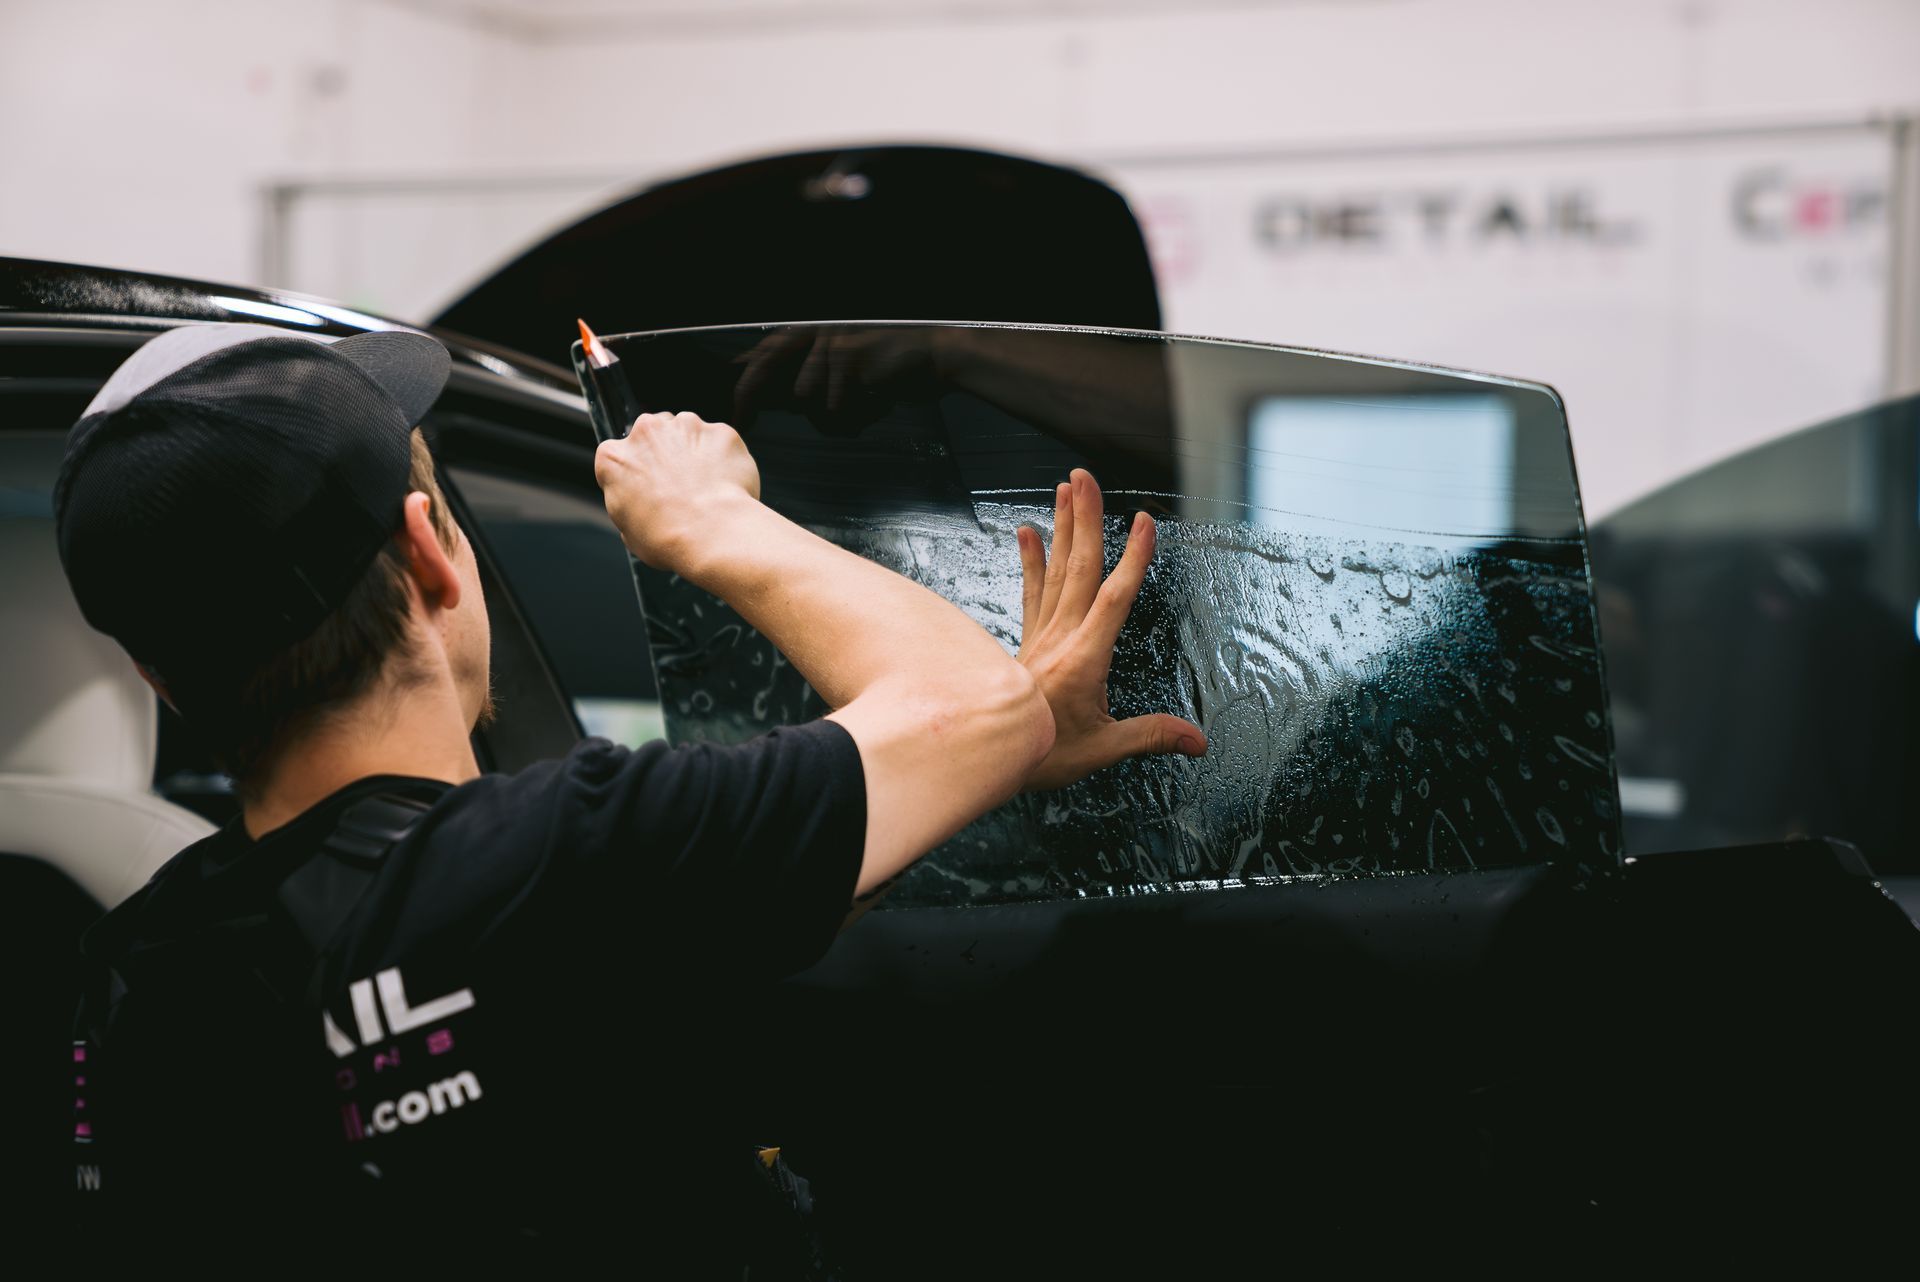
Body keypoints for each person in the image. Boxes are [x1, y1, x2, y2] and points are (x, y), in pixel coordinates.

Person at [53, 322, 1205, 1269]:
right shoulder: (568, 845)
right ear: (431, 555)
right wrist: (711, 520)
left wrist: (985, 742)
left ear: (159, 675)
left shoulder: (131, 977)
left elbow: (629, 943)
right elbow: (969, 707)